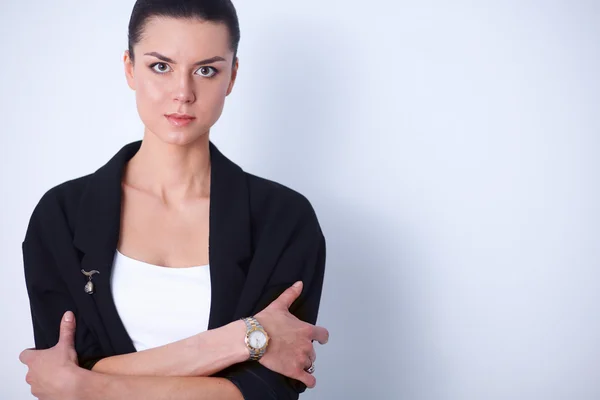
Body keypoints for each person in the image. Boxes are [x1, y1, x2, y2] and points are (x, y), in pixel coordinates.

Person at [18, 1, 329, 399]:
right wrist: (244, 339)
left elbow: (269, 388)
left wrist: (94, 386)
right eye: (161, 66)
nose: (183, 93)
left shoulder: (285, 220)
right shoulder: (61, 215)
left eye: (206, 70)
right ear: (130, 68)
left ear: (232, 76)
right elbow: (60, 368)